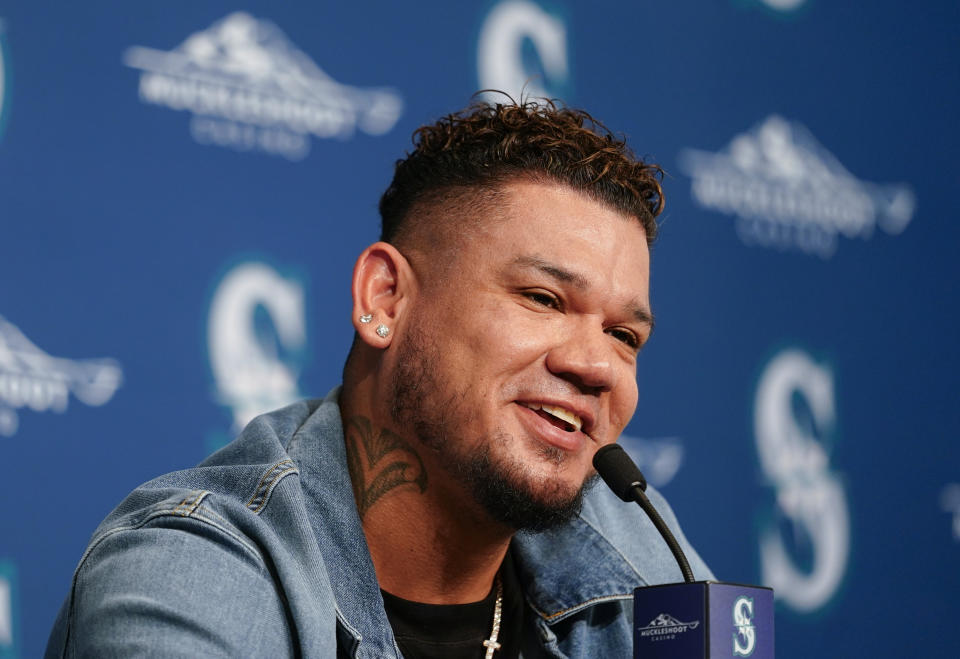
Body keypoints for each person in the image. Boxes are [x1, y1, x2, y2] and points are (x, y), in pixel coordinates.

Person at [45, 99, 712, 658]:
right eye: (542, 298)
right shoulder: (189, 574)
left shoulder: (641, 554)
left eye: (625, 336)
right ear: (386, 298)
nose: (595, 365)